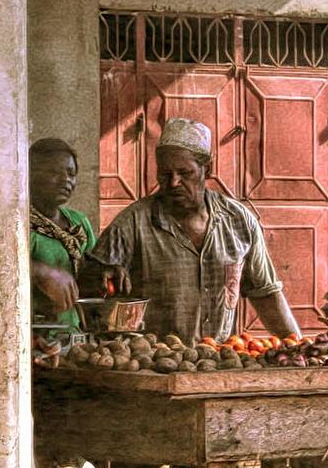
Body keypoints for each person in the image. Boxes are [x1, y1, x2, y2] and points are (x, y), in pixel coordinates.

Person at [87, 118, 301, 344]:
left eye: (184, 173)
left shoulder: (239, 221)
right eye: (165, 174)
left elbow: (266, 293)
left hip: (219, 361)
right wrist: (99, 276)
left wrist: (298, 348)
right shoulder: (132, 222)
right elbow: (89, 286)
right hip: (155, 364)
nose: (173, 183)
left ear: (207, 169)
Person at [28, 138, 95, 332]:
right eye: (53, 172)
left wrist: (105, 273)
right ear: (30, 174)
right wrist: (40, 271)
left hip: (74, 337)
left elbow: (86, 280)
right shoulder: (15, 224)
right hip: (31, 341)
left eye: (71, 173)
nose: (66, 180)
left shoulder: (78, 223)